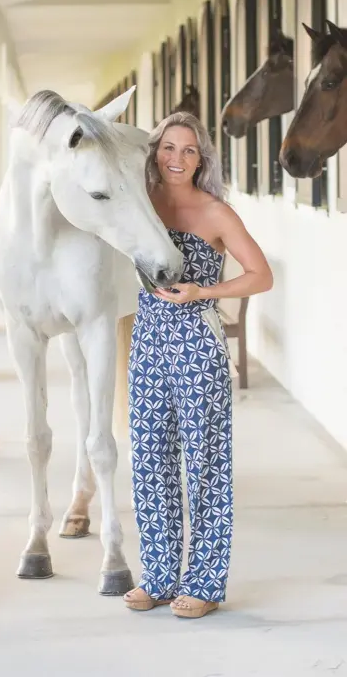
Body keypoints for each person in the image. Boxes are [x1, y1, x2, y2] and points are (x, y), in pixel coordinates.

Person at [124, 111, 273, 619]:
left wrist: (203, 291)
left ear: (201, 158)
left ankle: (205, 582)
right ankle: (159, 576)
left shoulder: (216, 212)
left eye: (188, 150)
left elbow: (261, 275)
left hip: (197, 346)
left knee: (205, 465)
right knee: (149, 462)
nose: (177, 159)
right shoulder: (140, 203)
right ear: (154, 150)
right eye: (168, 147)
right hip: (146, 342)